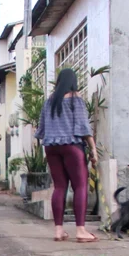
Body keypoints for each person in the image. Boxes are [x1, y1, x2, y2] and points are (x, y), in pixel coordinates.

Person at [35, 68, 99, 243]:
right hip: (72, 147)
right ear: (73, 82)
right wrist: (93, 149)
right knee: (80, 186)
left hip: (51, 147)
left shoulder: (49, 102)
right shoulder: (75, 100)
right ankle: (80, 230)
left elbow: (41, 131)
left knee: (59, 187)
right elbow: (83, 127)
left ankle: (58, 231)